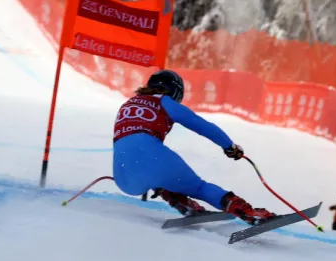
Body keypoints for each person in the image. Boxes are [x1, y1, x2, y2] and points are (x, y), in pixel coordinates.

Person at [112, 69, 277, 224]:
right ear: (175, 91)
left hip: (124, 177)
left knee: (159, 178)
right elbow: (201, 125)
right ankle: (248, 213)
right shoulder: (163, 101)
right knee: (199, 187)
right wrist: (229, 146)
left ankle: (184, 205)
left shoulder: (128, 104)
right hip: (151, 156)